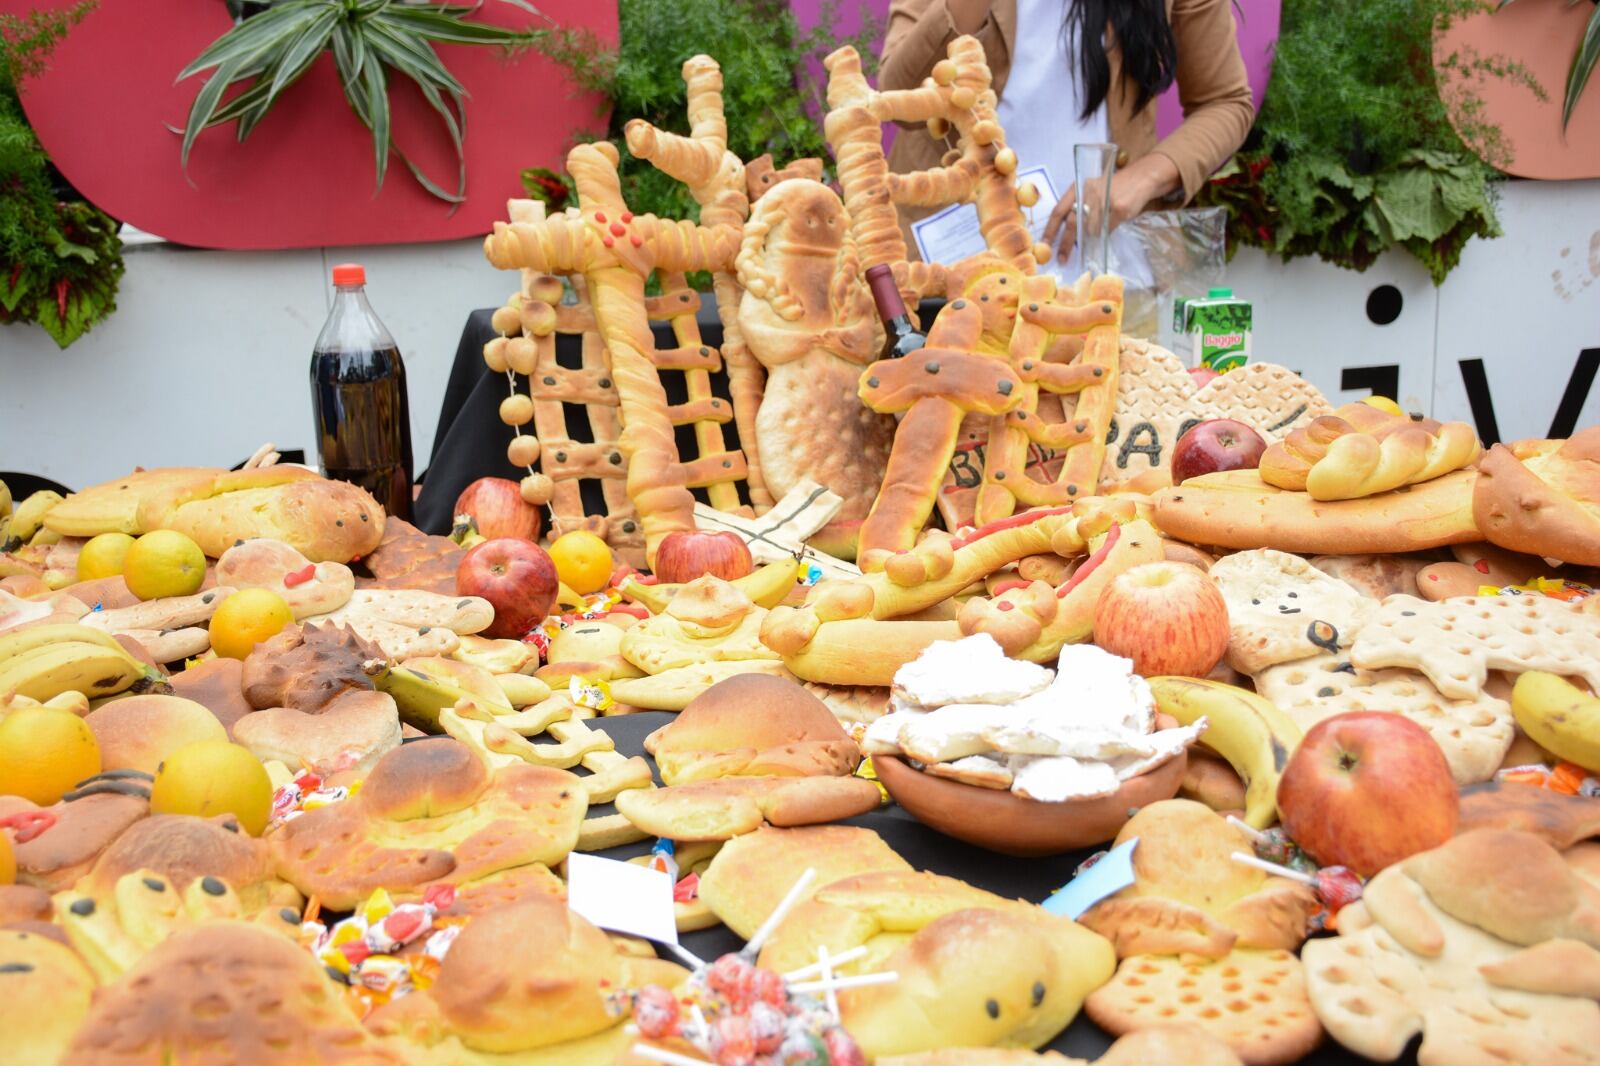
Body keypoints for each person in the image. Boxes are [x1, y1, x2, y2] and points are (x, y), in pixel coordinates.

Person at [879, 0, 1254, 264]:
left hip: (1099, 254)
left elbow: (1225, 100)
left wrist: (1142, 179)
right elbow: (901, 99)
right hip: (955, 254)